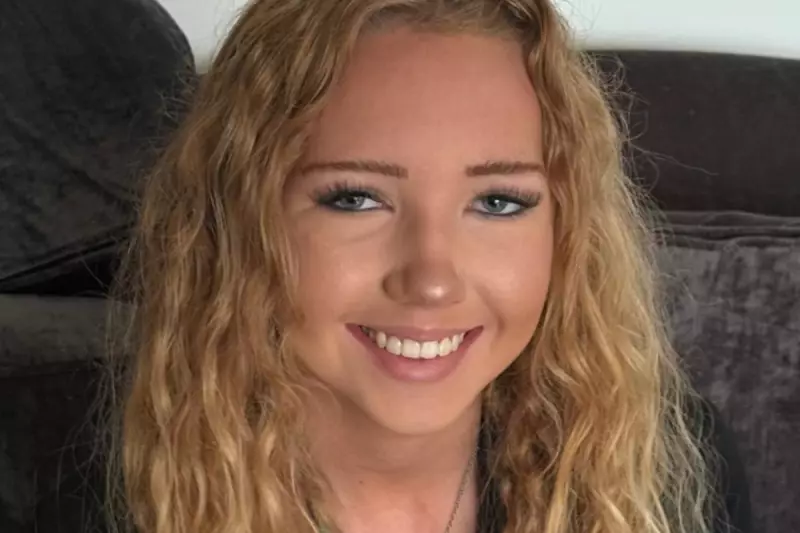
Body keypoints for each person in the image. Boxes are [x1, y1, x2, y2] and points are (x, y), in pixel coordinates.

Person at [110, 1, 751, 532]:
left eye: (498, 203)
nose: (432, 280)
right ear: (235, 221)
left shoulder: (666, 471)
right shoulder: (94, 492)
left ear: (568, 233)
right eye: (355, 198)